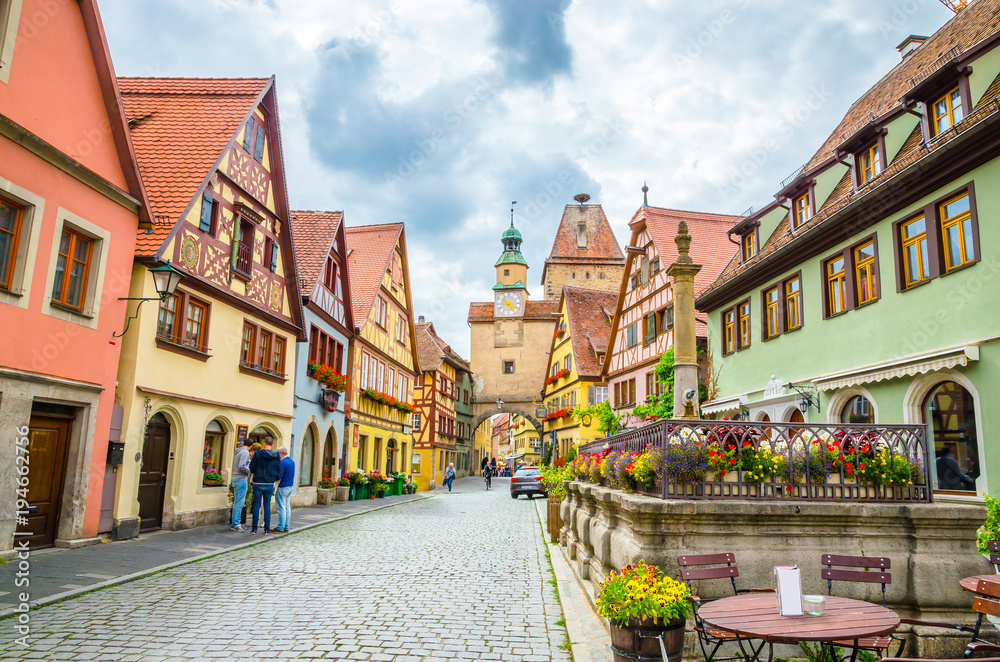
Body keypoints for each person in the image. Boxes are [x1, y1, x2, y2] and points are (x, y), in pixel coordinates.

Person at [248, 436, 281, 534]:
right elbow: (278, 469)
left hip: (258, 482)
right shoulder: (276, 455)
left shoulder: (258, 453)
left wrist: (256, 473)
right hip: (269, 483)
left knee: (256, 506)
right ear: (272, 445)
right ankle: (267, 529)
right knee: (267, 506)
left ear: (264, 444)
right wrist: (274, 478)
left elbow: (252, 467)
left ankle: (254, 529)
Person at [230, 439, 252, 532]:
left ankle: (234, 523)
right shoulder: (245, 452)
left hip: (235, 477)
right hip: (241, 478)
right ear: (250, 446)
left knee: (236, 502)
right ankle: (237, 524)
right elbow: (241, 466)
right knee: (240, 502)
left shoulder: (238, 452)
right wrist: (250, 470)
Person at [274, 446, 295, 533]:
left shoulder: (282, 462)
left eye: (277, 454)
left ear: (280, 453)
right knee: (287, 507)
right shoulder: (291, 461)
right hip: (290, 486)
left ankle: (280, 527)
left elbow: (279, 475)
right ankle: (286, 526)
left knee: (281, 507)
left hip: (282, 487)